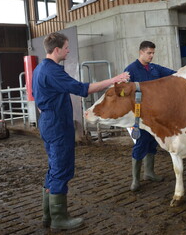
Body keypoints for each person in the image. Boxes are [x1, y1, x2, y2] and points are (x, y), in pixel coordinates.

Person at [32, 32, 129, 231]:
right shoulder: (52, 71)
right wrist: (114, 80)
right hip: (57, 124)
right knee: (62, 168)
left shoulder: (40, 68)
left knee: (54, 167)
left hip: (49, 121)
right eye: (66, 47)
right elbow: (82, 88)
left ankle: (48, 215)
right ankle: (59, 219)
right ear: (57, 49)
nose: (68, 51)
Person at [124, 41, 176, 191]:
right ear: (141, 52)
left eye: (153, 53)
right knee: (141, 142)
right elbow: (125, 92)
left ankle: (149, 173)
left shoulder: (155, 68)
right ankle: (135, 179)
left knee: (153, 141)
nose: (152, 56)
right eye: (149, 53)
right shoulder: (131, 70)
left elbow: (175, 73)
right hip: (140, 114)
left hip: (155, 113)